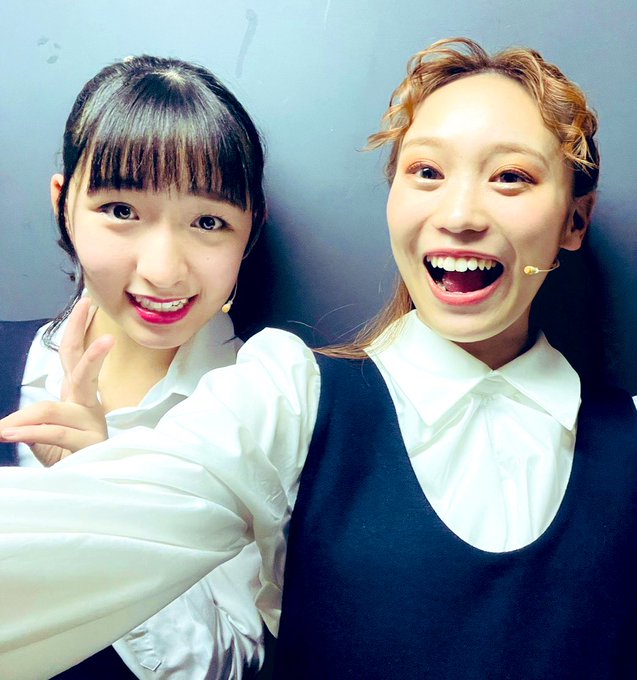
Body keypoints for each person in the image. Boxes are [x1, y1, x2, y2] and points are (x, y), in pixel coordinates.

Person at [0, 38, 635, 679]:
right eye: (426, 171)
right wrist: (94, 493)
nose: (460, 214)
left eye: (511, 176)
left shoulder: (625, 433)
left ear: (574, 220)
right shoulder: (289, 395)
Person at [0, 55, 267, 678]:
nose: (163, 270)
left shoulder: (262, 414)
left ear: (249, 231)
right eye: (121, 210)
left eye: (208, 222)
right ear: (64, 204)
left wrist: (96, 494)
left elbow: (231, 664)